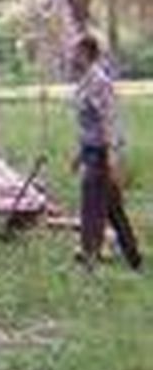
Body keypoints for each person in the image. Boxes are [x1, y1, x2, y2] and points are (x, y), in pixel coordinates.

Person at [71, 34, 142, 270]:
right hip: (91, 151)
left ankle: (89, 262)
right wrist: (79, 153)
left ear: (86, 53)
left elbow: (109, 120)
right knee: (113, 210)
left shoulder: (99, 81)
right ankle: (135, 259)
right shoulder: (85, 80)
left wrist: (112, 156)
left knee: (91, 208)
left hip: (101, 154)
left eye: (75, 51)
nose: (72, 56)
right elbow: (87, 122)